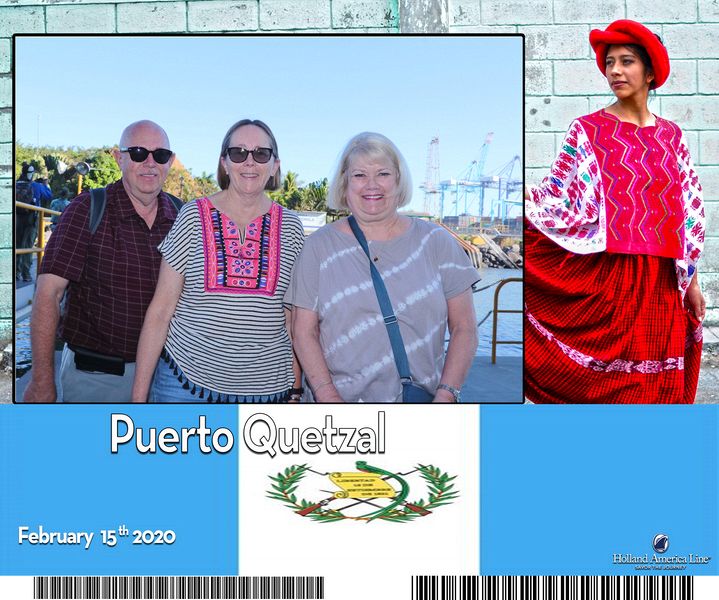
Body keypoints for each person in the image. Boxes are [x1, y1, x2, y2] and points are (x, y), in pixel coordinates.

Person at [524, 20, 705, 404]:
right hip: (612, 278)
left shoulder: (673, 137)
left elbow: (686, 215)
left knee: (656, 391)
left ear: (650, 72)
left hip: (660, 282)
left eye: (626, 62)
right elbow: (560, 198)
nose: (615, 71)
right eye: (609, 63)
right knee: (611, 390)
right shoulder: (588, 131)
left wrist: (692, 283)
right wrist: (524, 203)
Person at [287, 132, 479, 403]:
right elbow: (303, 331)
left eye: (383, 174)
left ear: (398, 181)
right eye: (359, 175)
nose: (372, 185)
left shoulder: (437, 243)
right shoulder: (318, 247)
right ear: (344, 184)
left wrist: (446, 395)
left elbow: (465, 328)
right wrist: (327, 396)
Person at [131, 119, 305, 403]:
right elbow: (161, 311)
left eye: (261, 153)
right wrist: (137, 402)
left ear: (275, 165)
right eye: (238, 153)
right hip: (184, 386)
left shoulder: (291, 228)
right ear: (224, 162)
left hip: (266, 394)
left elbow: (292, 321)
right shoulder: (191, 217)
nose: (249, 162)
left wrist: (296, 391)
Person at [23, 120, 179, 403]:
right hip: (97, 380)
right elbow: (48, 294)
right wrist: (42, 379)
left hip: (166, 380)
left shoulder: (182, 218)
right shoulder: (88, 210)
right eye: (138, 153)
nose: (150, 163)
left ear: (171, 161)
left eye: (160, 155)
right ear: (119, 157)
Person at [15, 163, 38, 282]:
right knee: (28, 247)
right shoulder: (35, 186)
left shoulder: (15, 184)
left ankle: (16, 273)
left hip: (16, 217)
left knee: (17, 245)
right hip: (30, 219)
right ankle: (26, 274)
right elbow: (48, 195)